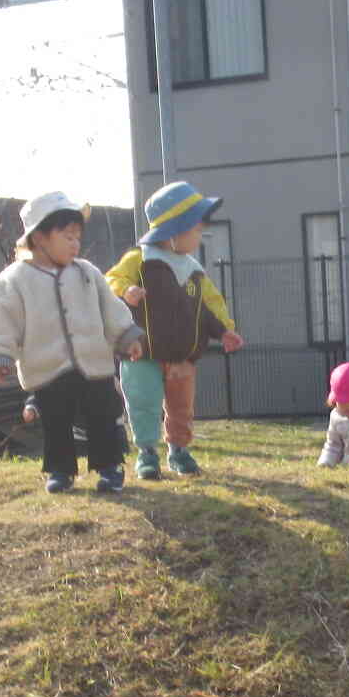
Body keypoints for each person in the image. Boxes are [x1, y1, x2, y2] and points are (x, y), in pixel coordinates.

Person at [0, 191, 144, 493]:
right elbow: (2, 320)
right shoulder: (14, 279)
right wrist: (0, 355)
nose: (75, 243)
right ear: (40, 238)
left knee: (103, 415)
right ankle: (60, 469)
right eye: (67, 236)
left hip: (94, 362)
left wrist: (126, 336)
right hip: (46, 366)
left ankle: (109, 467)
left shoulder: (87, 272)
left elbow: (110, 308)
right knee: (56, 421)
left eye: (77, 237)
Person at [104, 180, 244, 478]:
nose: (200, 235)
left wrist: (224, 330)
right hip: (142, 353)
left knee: (181, 406)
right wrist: (125, 290)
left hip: (183, 355)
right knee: (143, 402)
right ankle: (147, 453)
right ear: (173, 232)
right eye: (196, 229)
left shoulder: (193, 268)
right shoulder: (140, 259)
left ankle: (179, 451)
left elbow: (209, 305)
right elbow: (110, 280)